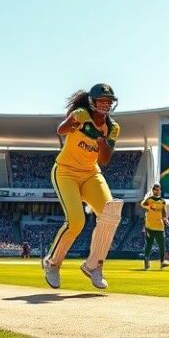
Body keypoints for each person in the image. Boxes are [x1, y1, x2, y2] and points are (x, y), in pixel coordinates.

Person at [41, 83, 124, 290]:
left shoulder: (113, 128)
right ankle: (52, 263)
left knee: (111, 213)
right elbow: (61, 129)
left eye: (109, 101)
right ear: (92, 102)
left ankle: (93, 266)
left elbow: (104, 160)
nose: (105, 105)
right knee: (76, 221)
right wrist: (74, 126)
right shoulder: (80, 114)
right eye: (102, 101)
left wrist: (102, 140)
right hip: (65, 171)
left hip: (90, 173)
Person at [140, 183, 169, 270]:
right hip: (149, 225)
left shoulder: (162, 201)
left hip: (159, 226)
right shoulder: (149, 200)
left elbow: (164, 213)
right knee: (149, 244)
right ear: (153, 190)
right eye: (155, 189)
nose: (157, 191)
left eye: (158, 189)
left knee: (162, 245)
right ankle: (146, 261)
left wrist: (166, 220)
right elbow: (142, 204)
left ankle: (162, 262)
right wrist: (148, 206)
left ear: (159, 190)